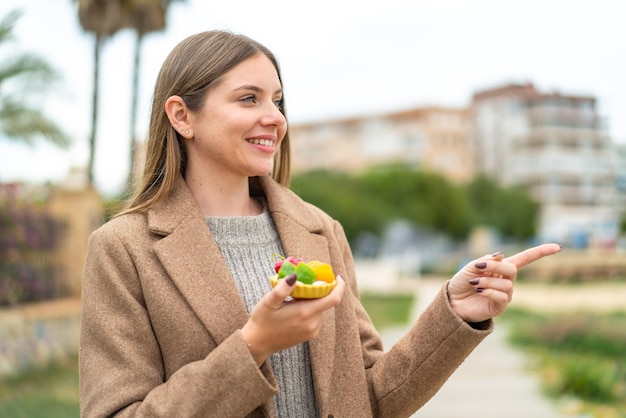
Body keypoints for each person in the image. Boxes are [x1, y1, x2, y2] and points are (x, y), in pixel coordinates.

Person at [79, 30, 561, 418]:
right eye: (249, 99)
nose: (275, 118)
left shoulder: (319, 230)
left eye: (277, 101)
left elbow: (369, 398)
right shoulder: (124, 249)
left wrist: (455, 312)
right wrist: (253, 347)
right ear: (182, 116)